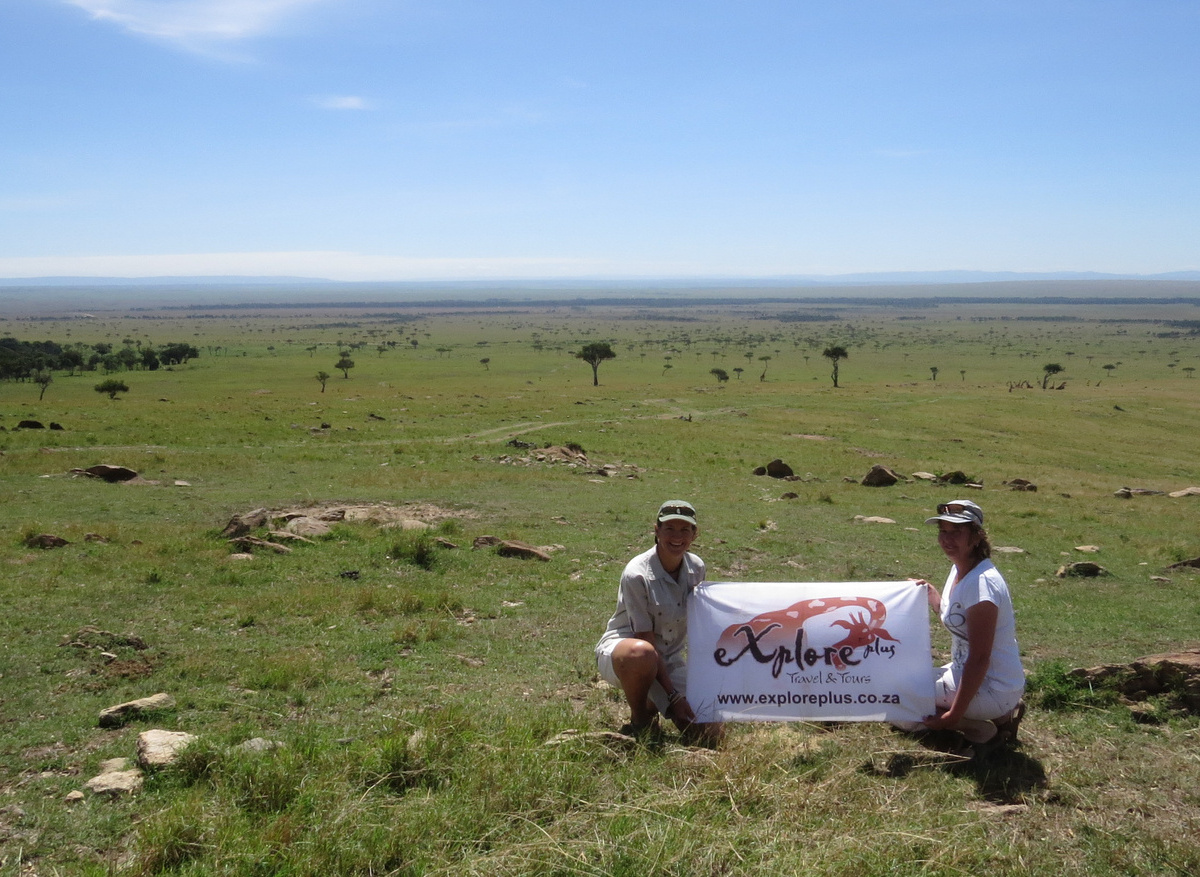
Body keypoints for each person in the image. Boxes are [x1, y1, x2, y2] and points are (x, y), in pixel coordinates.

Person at [595, 500, 722, 743]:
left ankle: (652, 701)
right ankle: (641, 719)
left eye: (685, 530)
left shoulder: (697, 568)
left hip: (669, 659)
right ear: (657, 530)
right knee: (642, 655)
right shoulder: (637, 574)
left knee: (710, 735)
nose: (677, 537)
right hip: (626, 655)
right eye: (669, 529)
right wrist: (674, 697)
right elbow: (645, 640)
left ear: (695, 534)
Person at [912, 500, 1026, 750]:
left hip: (992, 685)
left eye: (957, 532)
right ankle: (1002, 717)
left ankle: (980, 729)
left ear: (976, 536)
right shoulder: (960, 568)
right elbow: (956, 619)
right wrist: (930, 594)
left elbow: (980, 658)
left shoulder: (981, 585)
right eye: (943, 531)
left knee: (900, 700)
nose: (947, 539)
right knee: (906, 684)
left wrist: (952, 716)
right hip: (971, 675)